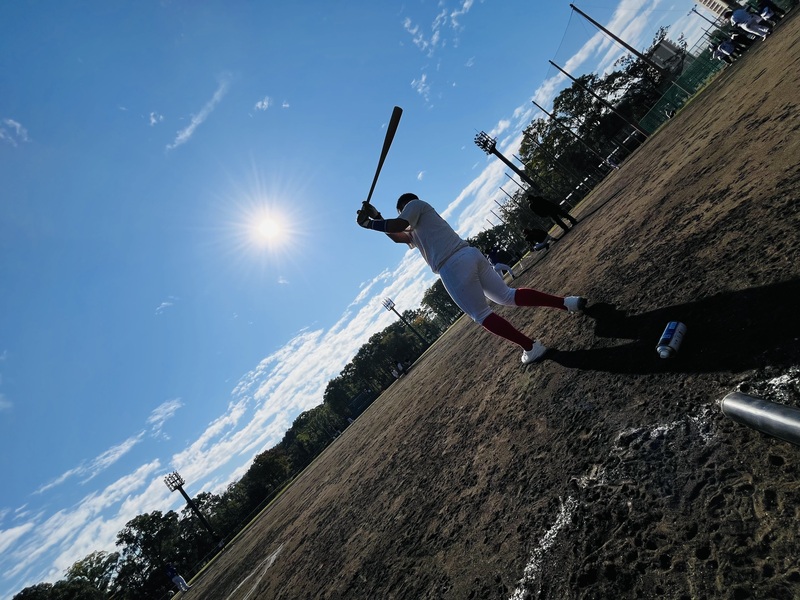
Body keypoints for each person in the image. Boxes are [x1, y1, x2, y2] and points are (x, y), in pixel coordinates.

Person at [357, 193, 587, 364]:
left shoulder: (413, 206)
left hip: (452, 265)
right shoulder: (418, 229)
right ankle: (567, 303)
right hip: (469, 255)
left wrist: (369, 223)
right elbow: (398, 236)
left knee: (482, 314)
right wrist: (375, 218)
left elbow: (398, 224)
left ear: (404, 208)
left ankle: (531, 347)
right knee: (508, 296)